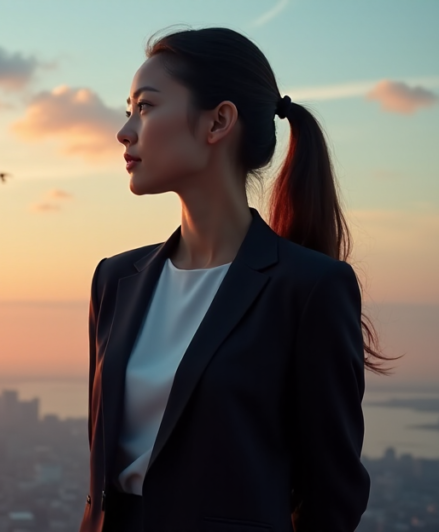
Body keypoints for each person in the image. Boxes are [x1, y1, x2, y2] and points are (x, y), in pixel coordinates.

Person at [80, 27, 393, 532]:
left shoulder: (309, 287)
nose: (125, 131)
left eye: (146, 107)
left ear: (218, 121)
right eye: (128, 110)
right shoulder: (116, 280)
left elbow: (331, 495)